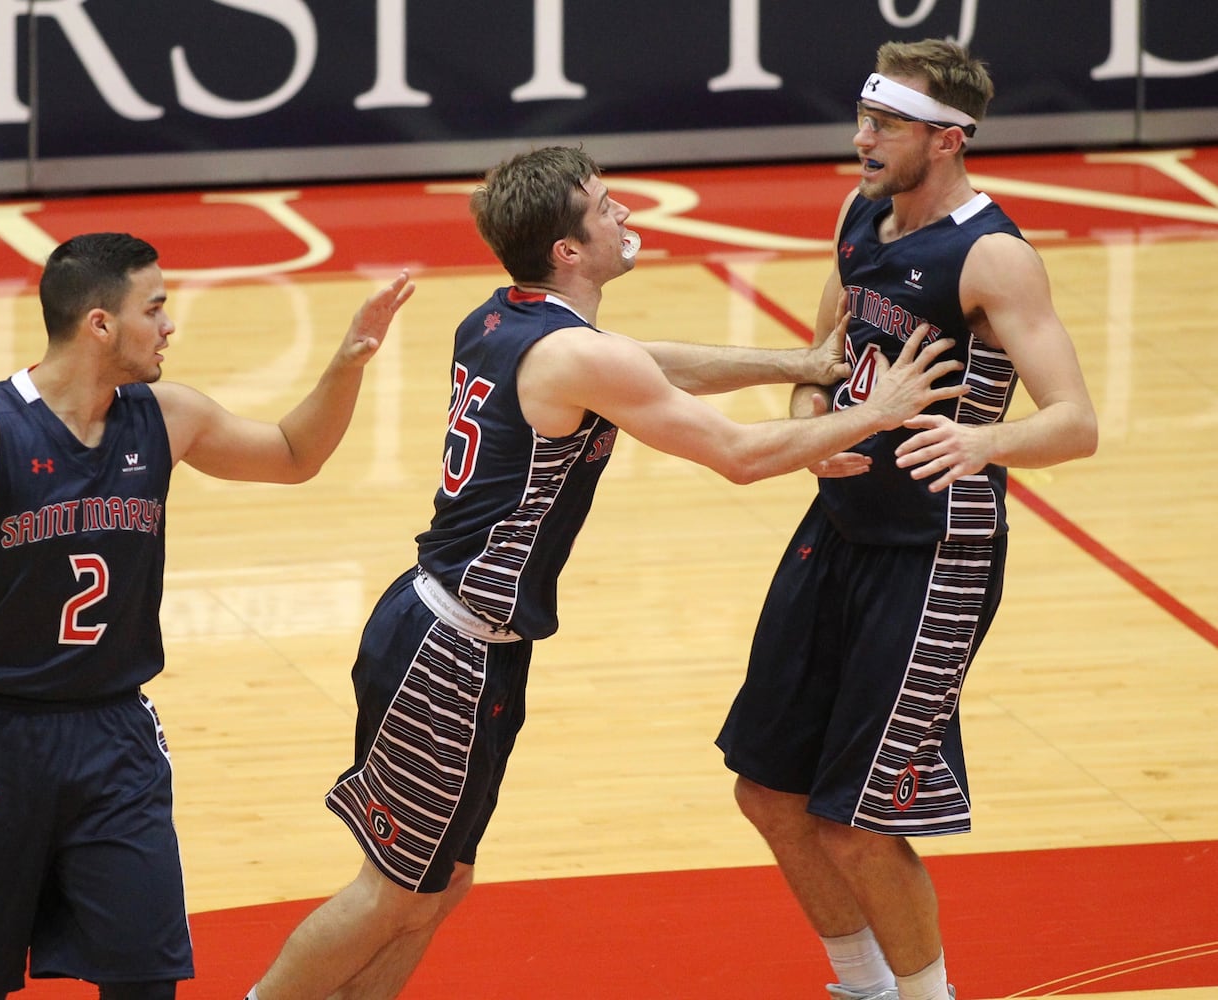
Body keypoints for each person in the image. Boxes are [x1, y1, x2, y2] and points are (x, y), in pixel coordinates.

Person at [241, 144, 970, 1000]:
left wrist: (800, 366)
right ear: (568, 251)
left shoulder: (502, 317)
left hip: (442, 631)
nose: (626, 215)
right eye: (606, 207)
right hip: (450, 651)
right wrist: (874, 413)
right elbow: (736, 456)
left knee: (435, 885)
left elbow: (647, 363)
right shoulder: (576, 358)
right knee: (395, 890)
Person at [0, 232, 414, 1000]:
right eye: (155, 308)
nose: (169, 326)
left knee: (146, 978)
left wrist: (347, 364)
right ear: (100, 324)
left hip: (115, 737)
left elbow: (293, 454)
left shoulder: (166, 417)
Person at [716, 39, 1099, 1000]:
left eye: (883, 125)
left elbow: (1075, 423)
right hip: (836, 526)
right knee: (765, 791)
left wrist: (983, 444)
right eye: (863, 117)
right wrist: (815, 425)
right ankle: (862, 987)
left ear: (947, 139)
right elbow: (824, 354)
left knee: (857, 821)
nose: (861, 140)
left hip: (934, 555)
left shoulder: (992, 256)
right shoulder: (862, 213)